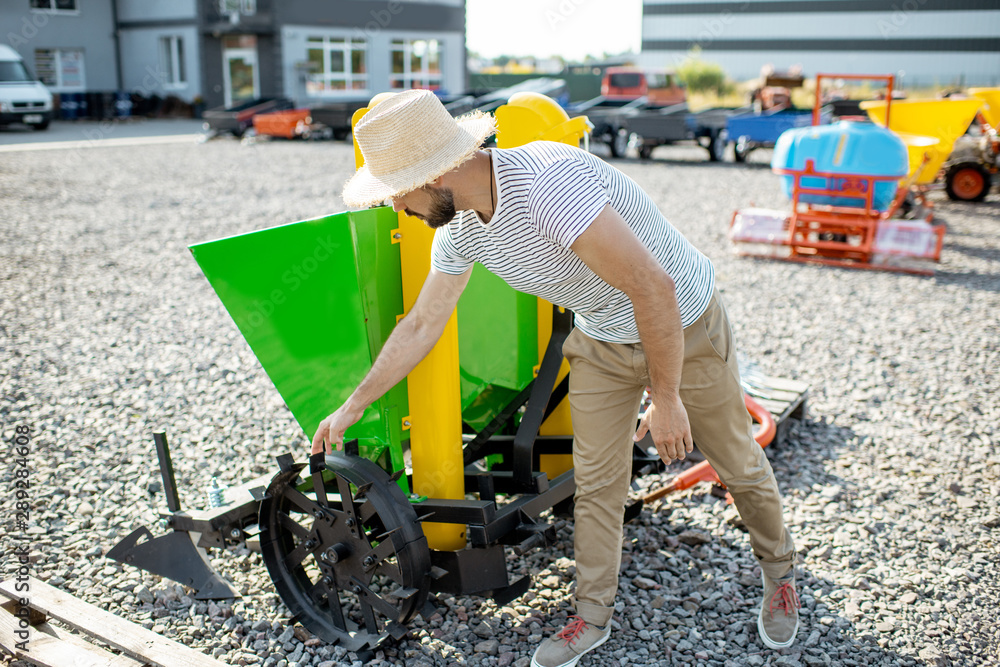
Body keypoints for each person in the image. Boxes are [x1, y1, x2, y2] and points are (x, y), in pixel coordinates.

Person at [311, 89, 800, 667]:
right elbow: (421, 325)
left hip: (683, 321)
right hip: (601, 338)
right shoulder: (463, 227)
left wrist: (665, 399)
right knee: (597, 484)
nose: (398, 209)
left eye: (397, 194)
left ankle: (781, 576)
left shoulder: (546, 186)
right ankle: (592, 617)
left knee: (737, 462)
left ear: (436, 173)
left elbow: (653, 288)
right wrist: (351, 406)